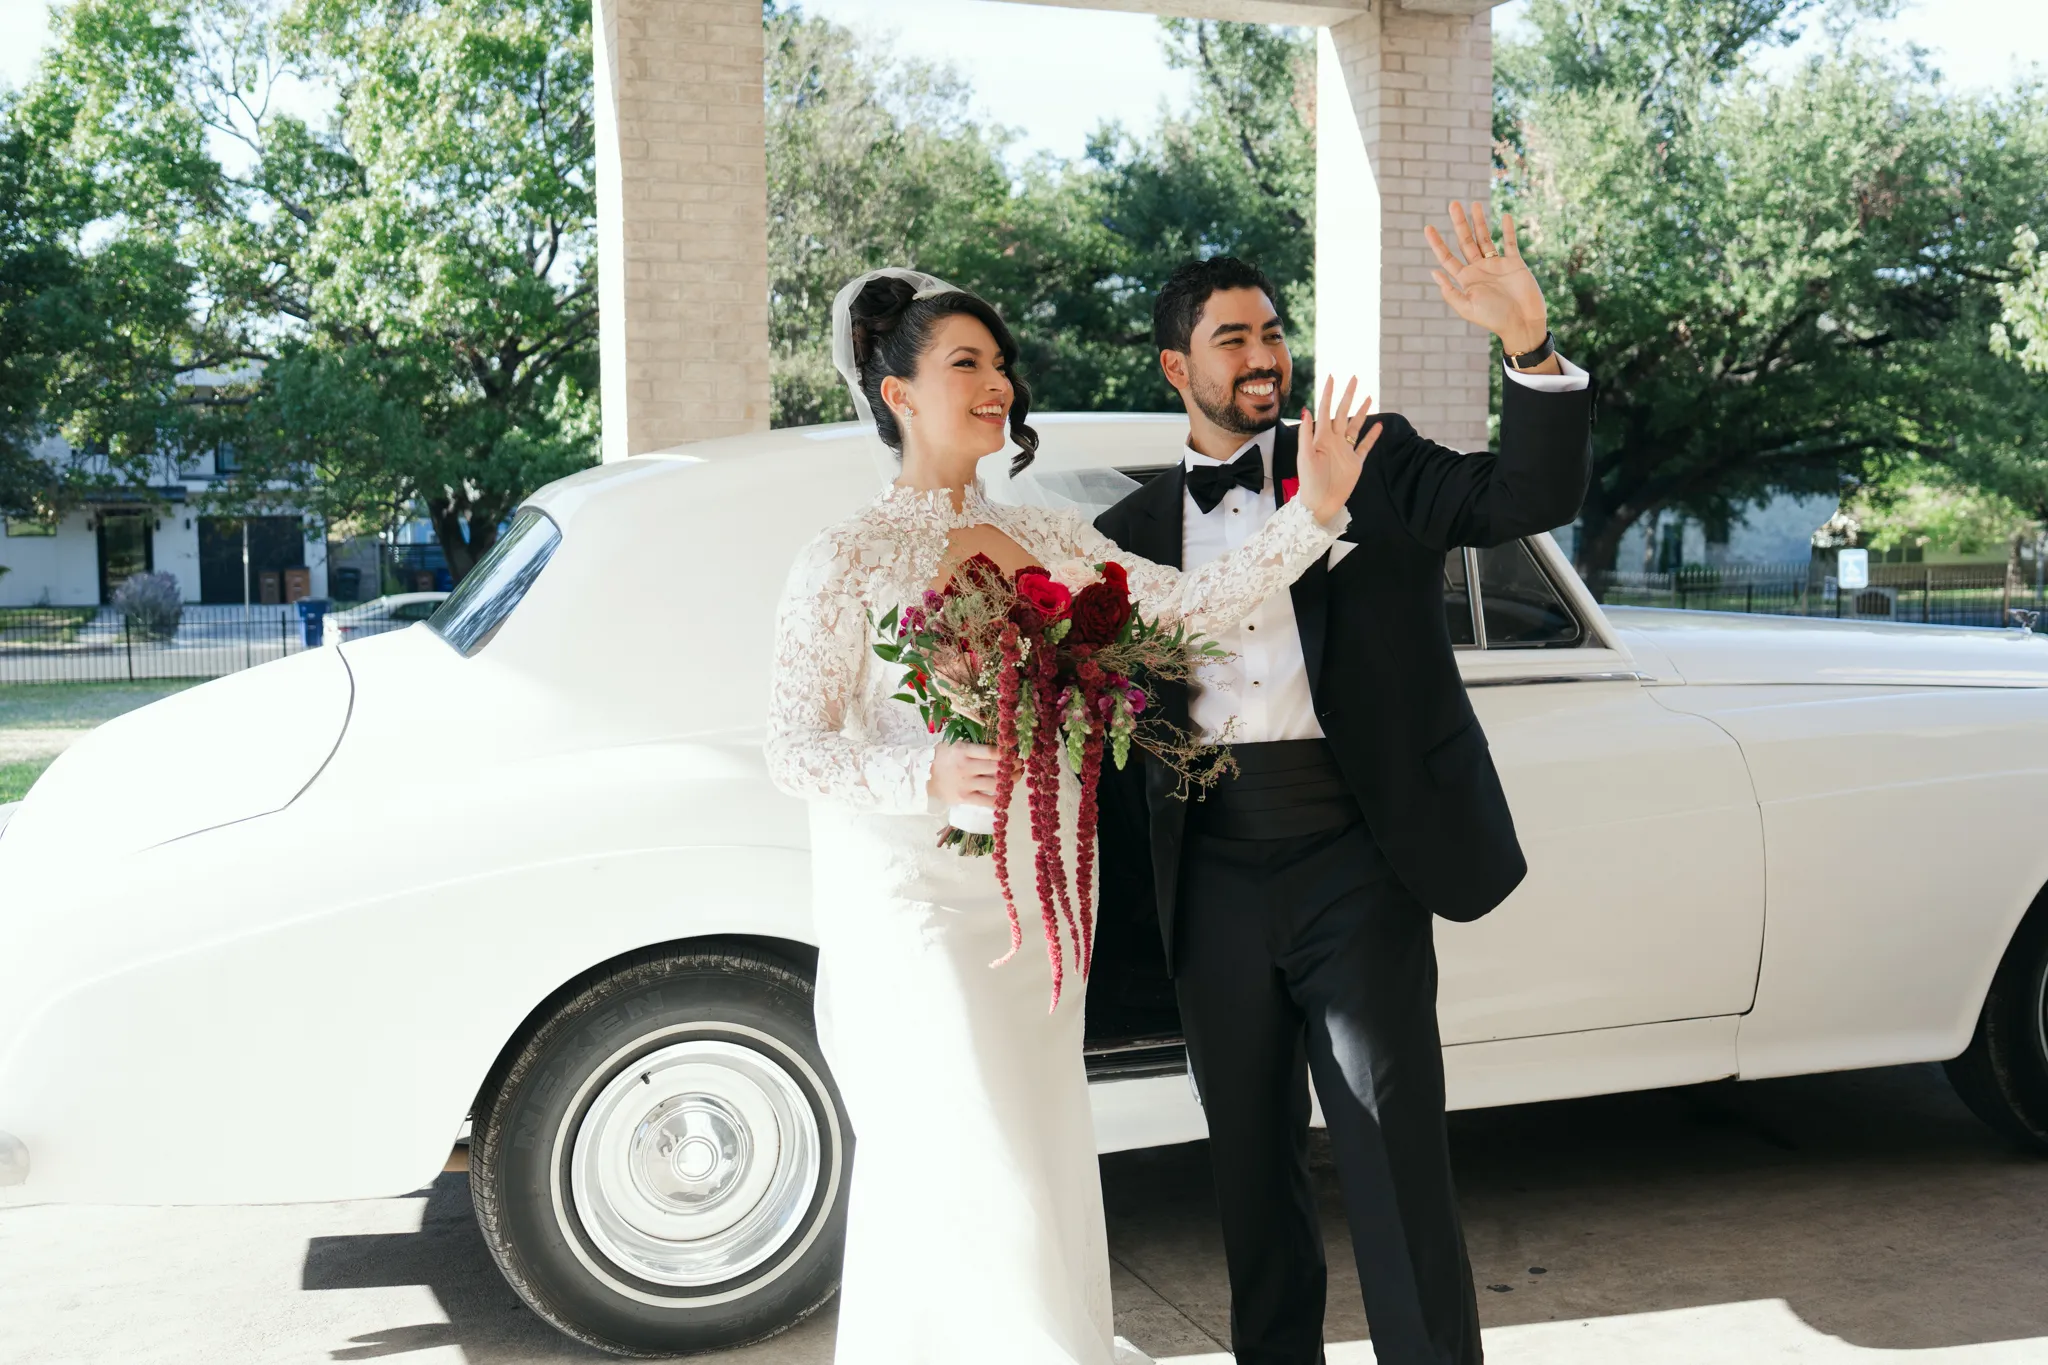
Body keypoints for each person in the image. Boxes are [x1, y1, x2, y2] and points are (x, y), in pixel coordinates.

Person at [763, 268, 1373, 1365]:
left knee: (1036, 1147)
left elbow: (1192, 607)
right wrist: (925, 778)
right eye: (966, 364)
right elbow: (793, 745)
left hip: (1037, 902)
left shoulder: (1048, 537)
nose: (998, 385)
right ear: (897, 394)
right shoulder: (842, 556)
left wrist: (1315, 510)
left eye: (1000, 365)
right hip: (915, 908)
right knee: (964, 1156)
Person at [1091, 204, 1595, 1365]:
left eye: (1271, 331)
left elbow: (1522, 499)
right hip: (1210, 871)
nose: (1264, 355)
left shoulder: (1365, 456)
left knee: (1388, 1151)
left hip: (1354, 857)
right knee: (1244, 1171)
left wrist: (1528, 349)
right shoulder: (1123, 532)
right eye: (1232, 337)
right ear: (1177, 366)